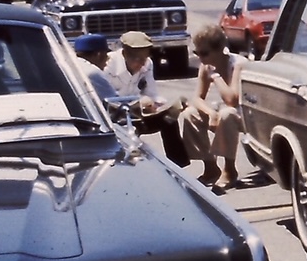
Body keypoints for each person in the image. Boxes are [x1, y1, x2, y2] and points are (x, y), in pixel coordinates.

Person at [104, 30, 190, 165]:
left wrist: (159, 105)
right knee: (131, 133)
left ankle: (178, 167)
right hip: (116, 118)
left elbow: (152, 92)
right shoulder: (109, 64)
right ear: (125, 53)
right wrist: (138, 102)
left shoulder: (147, 63)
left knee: (169, 120)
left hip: (138, 114)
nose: (141, 64)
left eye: (144, 58)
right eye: (137, 59)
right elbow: (107, 99)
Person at [179, 24, 244, 189]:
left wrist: (215, 76)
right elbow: (197, 98)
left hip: (247, 113)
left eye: (204, 53)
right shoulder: (205, 66)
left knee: (227, 114)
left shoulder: (238, 64)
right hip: (222, 110)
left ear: (220, 49)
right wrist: (210, 113)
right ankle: (210, 167)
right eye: (197, 52)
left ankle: (229, 169)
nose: (200, 57)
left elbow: (232, 100)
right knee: (190, 114)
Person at [71, 33, 118, 101]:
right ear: (99, 55)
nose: (107, 60)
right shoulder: (93, 73)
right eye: (106, 56)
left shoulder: (69, 65)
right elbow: (114, 102)